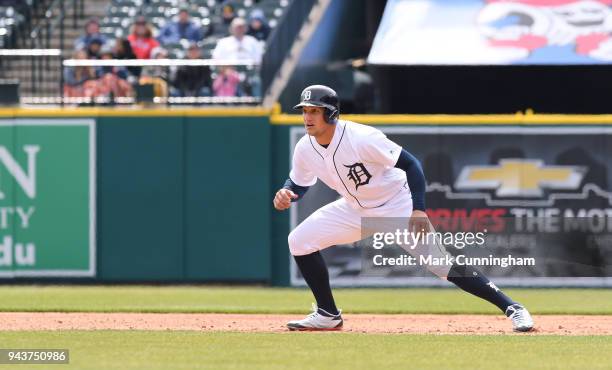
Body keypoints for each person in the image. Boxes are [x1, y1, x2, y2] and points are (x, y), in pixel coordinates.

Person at [273, 85, 535, 332]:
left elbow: (412, 165)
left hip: (396, 205)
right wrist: (288, 193)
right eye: (305, 111)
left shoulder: (362, 138)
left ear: (331, 113)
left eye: (314, 111)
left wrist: (418, 210)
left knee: (442, 265)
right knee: (299, 240)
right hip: (354, 208)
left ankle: (513, 307)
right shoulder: (305, 147)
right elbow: (299, 181)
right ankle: (328, 314)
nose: (307, 117)